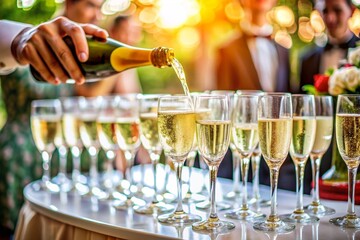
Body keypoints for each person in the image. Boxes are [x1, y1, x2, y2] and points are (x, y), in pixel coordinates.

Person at [0, 0, 109, 237]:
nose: (98, 15)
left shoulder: (88, 50)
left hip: (62, 149)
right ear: (70, 3)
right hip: (20, 149)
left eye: (101, 8)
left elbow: (89, 95)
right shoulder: (34, 37)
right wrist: (21, 40)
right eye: (92, 5)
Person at [214, 0, 294, 192]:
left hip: (278, 151)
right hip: (243, 150)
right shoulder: (226, 49)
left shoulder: (283, 50)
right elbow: (223, 103)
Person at [299, 0, 359, 193]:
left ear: (351, 11)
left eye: (337, 11)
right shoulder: (307, 59)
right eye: (325, 11)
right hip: (315, 155)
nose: (331, 18)